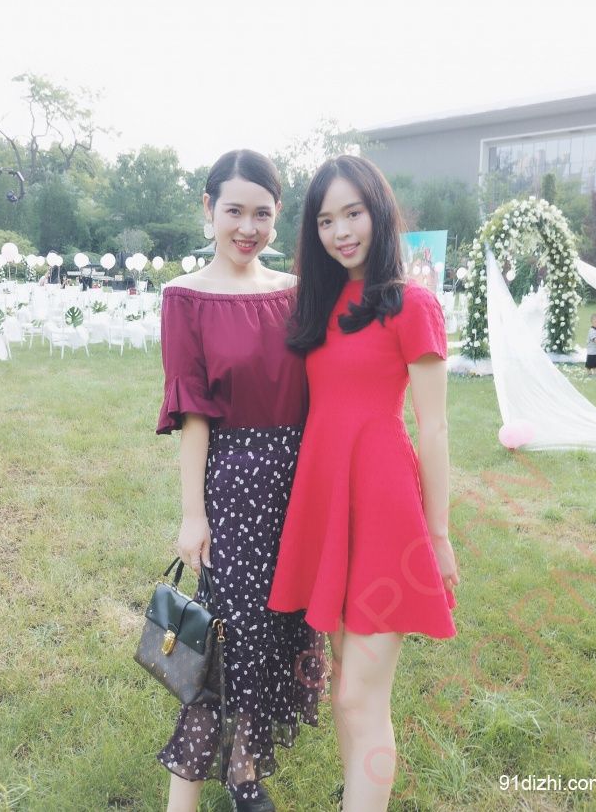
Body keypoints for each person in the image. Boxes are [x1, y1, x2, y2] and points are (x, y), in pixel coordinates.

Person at [268, 156, 459, 812]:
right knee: (348, 685)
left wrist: (438, 535)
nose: (341, 231)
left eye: (353, 213)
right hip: (327, 501)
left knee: (358, 697)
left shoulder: (412, 303)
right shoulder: (318, 305)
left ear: (379, 210)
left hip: (383, 507)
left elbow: (434, 427)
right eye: (326, 220)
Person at [155, 150, 323, 812]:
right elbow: (193, 415)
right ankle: (183, 798)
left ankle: (245, 776)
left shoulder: (296, 290)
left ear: (278, 215)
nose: (248, 227)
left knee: (278, 631)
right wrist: (193, 513)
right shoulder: (186, 296)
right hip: (236, 486)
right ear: (208, 208)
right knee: (227, 641)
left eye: (262, 213)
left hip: (300, 481)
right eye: (234, 211)